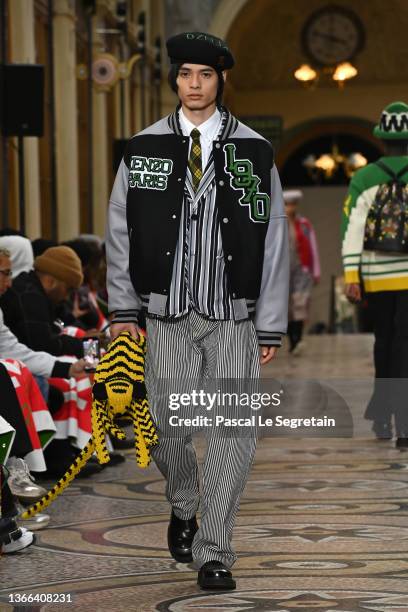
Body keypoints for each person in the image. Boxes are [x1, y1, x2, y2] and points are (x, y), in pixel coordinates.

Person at [105, 31, 289, 590]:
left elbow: (275, 236)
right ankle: (184, 501)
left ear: (220, 81)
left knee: (234, 431)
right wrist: (123, 312)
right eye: (186, 74)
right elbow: (120, 229)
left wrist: (270, 320)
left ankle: (215, 550)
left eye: (205, 75)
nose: (194, 85)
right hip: (164, 315)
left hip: (233, 315)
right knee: (164, 424)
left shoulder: (254, 150)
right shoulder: (143, 148)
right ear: (175, 80)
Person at [342, 101, 408, 445]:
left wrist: (352, 275)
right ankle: (405, 424)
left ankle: (383, 417)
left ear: (382, 138)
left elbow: (352, 228)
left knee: (383, 345)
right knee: (405, 346)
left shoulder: (364, 178)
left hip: (377, 277)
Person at [0, 245, 85, 358]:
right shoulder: (29, 296)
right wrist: (83, 345)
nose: (66, 297)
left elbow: (60, 324)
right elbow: (42, 345)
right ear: (50, 282)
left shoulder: (40, 294)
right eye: (68, 289)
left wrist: (86, 339)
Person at [283, 189, 320, 355]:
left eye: (293, 204)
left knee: (300, 304)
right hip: (282, 272)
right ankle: (292, 341)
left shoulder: (304, 224)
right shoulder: (275, 223)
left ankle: (298, 339)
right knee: (287, 307)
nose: (290, 207)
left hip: (301, 270)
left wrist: (315, 271)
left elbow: (313, 248)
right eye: (287, 204)